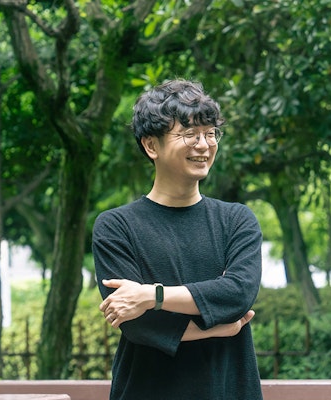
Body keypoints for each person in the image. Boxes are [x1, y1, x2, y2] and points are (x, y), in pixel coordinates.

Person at [92, 79, 263, 399]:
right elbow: (138, 326)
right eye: (189, 134)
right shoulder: (116, 227)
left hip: (227, 391)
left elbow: (238, 293)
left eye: (210, 133)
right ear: (151, 145)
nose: (204, 145)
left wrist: (151, 296)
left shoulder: (237, 220)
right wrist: (220, 326)